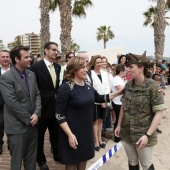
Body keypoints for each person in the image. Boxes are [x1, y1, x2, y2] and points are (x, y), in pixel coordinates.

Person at [55, 56, 118, 170]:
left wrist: (119, 92)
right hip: (71, 132)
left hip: (86, 131)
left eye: (86, 67)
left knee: (83, 160)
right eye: (82, 67)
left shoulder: (88, 86)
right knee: (71, 162)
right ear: (74, 69)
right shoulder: (65, 88)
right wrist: (70, 134)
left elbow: (99, 97)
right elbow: (59, 114)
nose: (86, 70)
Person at [115, 53, 167, 170]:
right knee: (132, 161)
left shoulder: (152, 86)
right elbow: (124, 106)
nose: (128, 70)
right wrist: (118, 125)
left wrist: (148, 135)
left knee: (146, 163)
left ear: (141, 68)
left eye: (131, 67)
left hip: (143, 133)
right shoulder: (128, 85)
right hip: (127, 132)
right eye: (127, 67)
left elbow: (159, 113)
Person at [0, 45, 41, 170]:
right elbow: (12, 103)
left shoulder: (31, 74)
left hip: (33, 125)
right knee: (16, 162)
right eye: (27, 57)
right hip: (17, 127)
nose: (30, 59)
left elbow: (37, 95)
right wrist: (29, 118)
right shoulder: (6, 77)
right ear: (17, 59)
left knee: (31, 160)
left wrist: (37, 113)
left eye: (30, 56)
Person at [30, 42, 61, 170]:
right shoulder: (35, 68)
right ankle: (41, 161)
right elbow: (33, 90)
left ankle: (58, 155)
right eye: (53, 49)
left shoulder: (58, 67)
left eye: (57, 50)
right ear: (46, 50)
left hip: (56, 108)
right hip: (41, 109)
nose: (56, 52)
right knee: (39, 138)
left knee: (56, 134)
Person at [88, 55, 111, 151]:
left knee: (101, 121)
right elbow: (91, 88)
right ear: (93, 63)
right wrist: (99, 100)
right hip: (94, 102)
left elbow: (107, 86)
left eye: (100, 62)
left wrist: (104, 100)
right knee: (95, 121)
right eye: (97, 62)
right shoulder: (90, 74)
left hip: (104, 101)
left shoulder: (104, 73)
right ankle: (96, 141)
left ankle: (100, 139)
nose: (99, 64)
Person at [111, 64, 127, 142]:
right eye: (125, 70)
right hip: (117, 102)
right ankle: (117, 137)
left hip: (120, 102)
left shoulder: (121, 79)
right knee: (118, 120)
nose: (127, 72)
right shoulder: (116, 79)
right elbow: (122, 90)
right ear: (121, 71)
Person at [0, 50, 11, 154]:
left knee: (12, 125)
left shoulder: (15, 70)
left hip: (13, 104)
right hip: (0, 104)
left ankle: (11, 143)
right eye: (3, 57)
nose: (5, 59)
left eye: (7, 57)